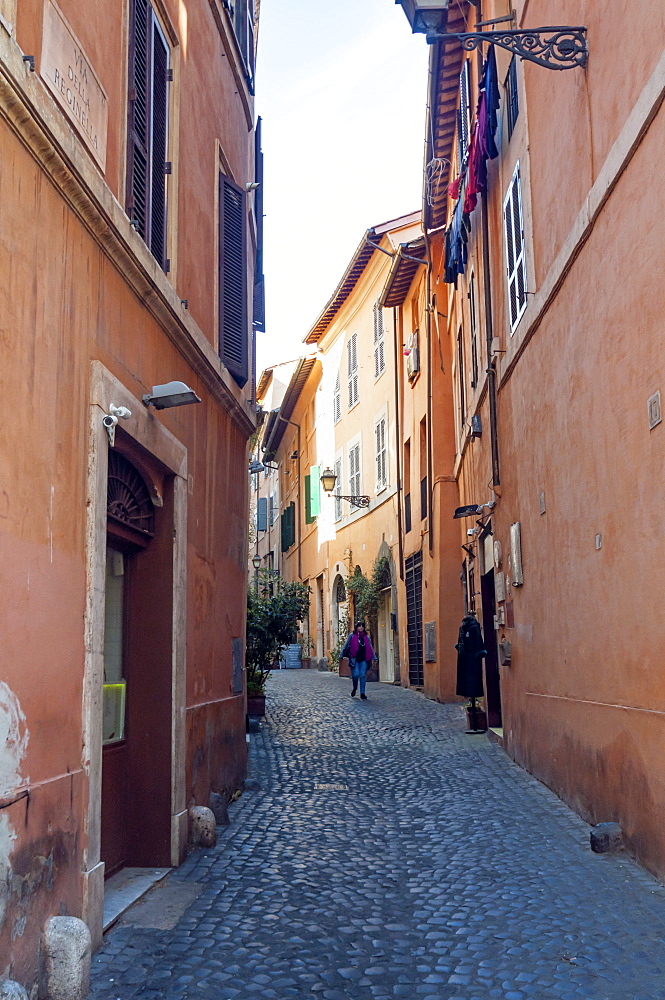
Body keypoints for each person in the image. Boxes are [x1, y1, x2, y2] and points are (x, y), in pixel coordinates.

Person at [341, 621, 375, 700]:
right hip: (354, 659)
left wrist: (374, 657)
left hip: (364, 659)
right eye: (359, 626)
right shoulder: (352, 636)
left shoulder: (366, 637)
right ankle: (355, 688)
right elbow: (346, 645)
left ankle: (362, 693)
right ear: (356, 627)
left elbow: (370, 647)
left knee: (363, 675)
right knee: (355, 675)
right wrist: (341, 654)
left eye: (362, 626)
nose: (361, 628)